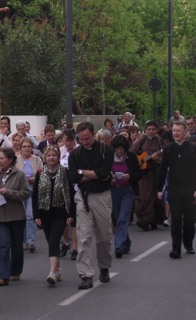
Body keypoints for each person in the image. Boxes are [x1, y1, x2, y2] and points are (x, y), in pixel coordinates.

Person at [68, 122, 114, 290]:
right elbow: (73, 177)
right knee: (83, 236)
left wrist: (82, 172)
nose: (84, 142)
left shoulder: (106, 150)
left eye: (87, 139)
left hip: (102, 196)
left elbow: (104, 174)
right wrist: (92, 174)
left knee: (104, 236)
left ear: (94, 134)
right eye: (81, 140)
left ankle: (104, 267)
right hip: (83, 197)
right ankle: (85, 274)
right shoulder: (75, 154)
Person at [157, 121, 196, 259]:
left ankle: (188, 244)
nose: (176, 133)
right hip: (174, 189)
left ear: (185, 133)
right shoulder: (169, 149)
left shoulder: (192, 149)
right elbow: (163, 169)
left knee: (189, 220)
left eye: (179, 131)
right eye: (174, 131)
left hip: (189, 189)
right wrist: (159, 189)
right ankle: (175, 248)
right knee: (176, 219)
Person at [32, 145, 72, 285]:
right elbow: (35, 196)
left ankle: (52, 272)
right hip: (45, 213)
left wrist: (70, 213)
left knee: (55, 240)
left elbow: (70, 194)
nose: (51, 158)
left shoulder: (65, 173)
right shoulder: (40, 173)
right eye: (48, 155)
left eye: (54, 155)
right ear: (45, 157)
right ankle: (58, 269)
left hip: (60, 212)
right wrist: (36, 215)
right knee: (51, 242)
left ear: (58, 157)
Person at [0, 148, 29, 286]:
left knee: (16, 246)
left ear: (10, 160)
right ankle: (3, 275)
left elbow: (25, 193)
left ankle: (15, 271)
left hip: (16, 215)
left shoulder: (19, 174)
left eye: (2, 158)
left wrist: (9, 192)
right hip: (0, 214)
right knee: (3, 244)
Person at [130, 121, 166, 231]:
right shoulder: (142, 141)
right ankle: (144, 219)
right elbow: (132, 153)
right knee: (143, 195)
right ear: (145, 130)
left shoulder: (161, 142)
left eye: (153, 129)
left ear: (156, 130)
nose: (151, 131)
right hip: (144, 174)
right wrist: (138, 160)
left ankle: (152, 220)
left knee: (154, 196)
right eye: (149, 129)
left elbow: (166, 157)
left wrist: (158, 160)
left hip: (156, 173)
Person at [110, 136, 142, 258]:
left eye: (122, 149)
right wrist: (111, 177)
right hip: (114, 190)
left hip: (128, 191)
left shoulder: (131, 157)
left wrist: (130, 176)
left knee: (123, 218)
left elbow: (138, 174)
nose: (120, 151)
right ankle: (126, 242)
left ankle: (118, 246)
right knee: (118, 218)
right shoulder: (109, 157)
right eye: (117, 149)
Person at [16, 137, 43, 253]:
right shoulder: (16, 160)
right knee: (20, 217)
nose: (27, 149)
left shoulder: (37, 160)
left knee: (30, 216)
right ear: (20, 148)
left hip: (33, 191)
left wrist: (35, 179)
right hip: (20, 192)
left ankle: (31, 241)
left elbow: (43, 174)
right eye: (24, 147)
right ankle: (22, 241)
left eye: (29, 147)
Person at [59, 129, 79, 260]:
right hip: (62, 188)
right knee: (63, 219)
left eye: (71, 140)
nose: (68, 143)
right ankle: (65, 243)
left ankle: (75, 247)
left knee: (74, 219)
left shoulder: (79, 151)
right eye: (66, 140)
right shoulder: (60, 151)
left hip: (76, 188)